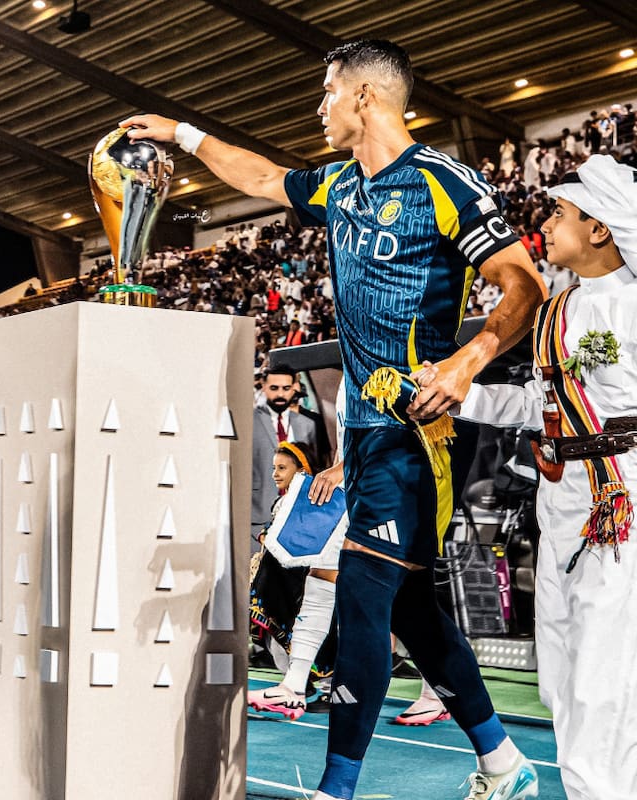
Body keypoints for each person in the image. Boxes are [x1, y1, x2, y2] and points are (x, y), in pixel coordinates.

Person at [121, 38, 546, 800]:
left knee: (360, 592)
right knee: (410, 608)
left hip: (421, 433)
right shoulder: (340, 185)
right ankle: (504, 764)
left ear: (363, 97)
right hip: (366, 434)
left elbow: (521, 283)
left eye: (325, 92)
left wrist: (465, 362)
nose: (317, 107)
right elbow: (259, 175)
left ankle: (336, 789)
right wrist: (183, 136)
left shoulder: (443, 181)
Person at [455, 154, 637, 799]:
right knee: (560, 666)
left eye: (561, 213)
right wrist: (464, 398)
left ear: (600, 230)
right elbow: (541, 403)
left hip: (621, 497)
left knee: (602, 667)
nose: (546, 223)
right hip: (558, 492)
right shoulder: (557, 310)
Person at [248, 442, 344, 720]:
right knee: (321, 580)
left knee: (405, 610)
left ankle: (432, 695)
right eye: (274, 468)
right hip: (290, 582)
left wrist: (341, 470)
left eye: (282, 468)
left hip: (378, 497)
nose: (276, 474)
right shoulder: (290, 502)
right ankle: (295, 685)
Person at [251, 365, 317, 541]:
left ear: (294, 388)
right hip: (258, 517)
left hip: (297, 519)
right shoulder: (249, 421)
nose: (280, 394)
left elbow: (311, 469)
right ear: (264, 387)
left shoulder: (307, 424)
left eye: (286, 388)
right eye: (274, 388)